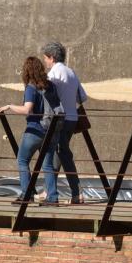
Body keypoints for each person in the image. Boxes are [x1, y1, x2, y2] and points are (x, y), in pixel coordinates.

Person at [0, 56, 58, 199]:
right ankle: (53, 197)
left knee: (22, 160)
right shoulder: (51, 85)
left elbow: (27, 109)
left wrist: (10, 106)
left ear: (27, 71)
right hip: (51, 130)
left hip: (34, 129)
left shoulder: (31, 87)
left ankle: (27, 193)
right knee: (47, 166)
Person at [40, 41, 87, 206]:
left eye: (45, 58)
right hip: (72, 118)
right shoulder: (71, 72)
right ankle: (49, 190)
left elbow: (47, 96)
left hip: (59, 120)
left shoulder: (53, 74)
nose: (45, 61)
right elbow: (83, 96)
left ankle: (77, 192)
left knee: (63, 155)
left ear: (51, 58)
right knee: (58, 153)